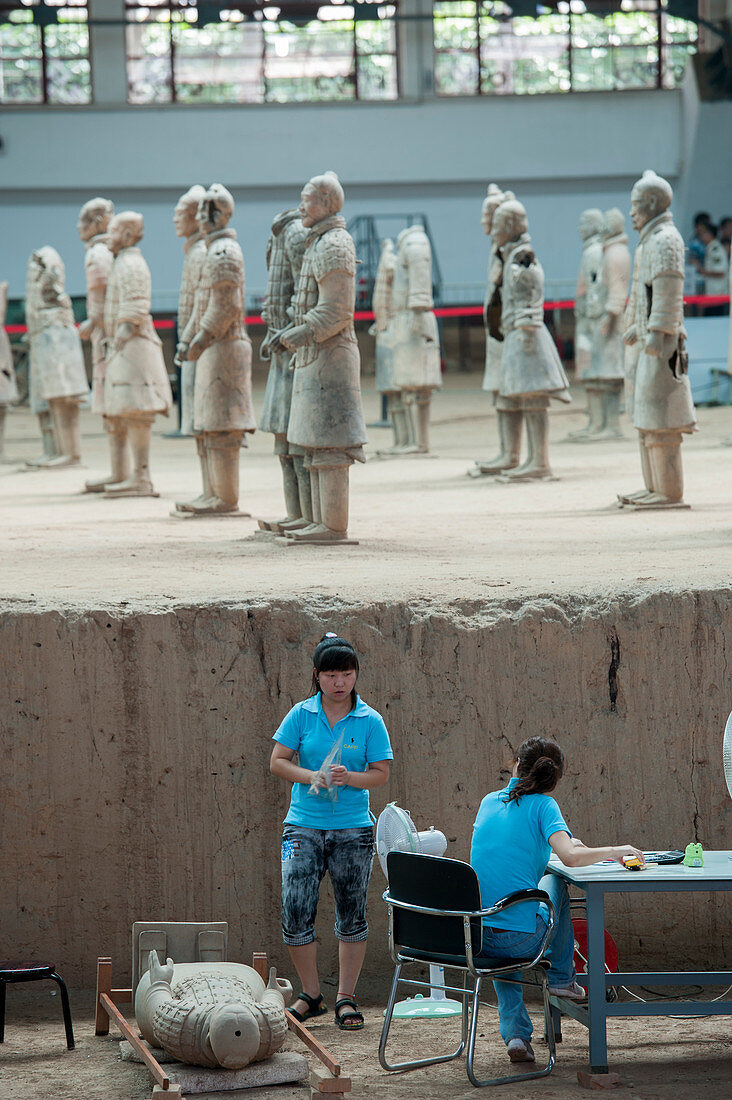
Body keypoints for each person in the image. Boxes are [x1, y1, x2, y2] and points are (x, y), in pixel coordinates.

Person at [470, 737, 644, 1066]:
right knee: (556, 882)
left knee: (503, 924)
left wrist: (554, 843)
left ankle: (517, 1036)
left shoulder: (488, 802)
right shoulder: (544, 806)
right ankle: (563, 980)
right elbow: (571, 858)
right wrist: (615, 850)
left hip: (477, 938)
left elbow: (509, 850)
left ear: (517, 765)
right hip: (521, 941)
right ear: (555, 777)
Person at [270, 633, 392, 1031]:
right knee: (295, 911)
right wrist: (312, 776)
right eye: (331, 674)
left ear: (355, 676)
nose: (340, 682)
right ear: (317, 676)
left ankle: (345, 997)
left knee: (352, 915)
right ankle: (311, 994)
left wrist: (349, 777)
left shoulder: (370, 720)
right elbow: (277, 761)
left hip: (353, 830)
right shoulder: (301, 714)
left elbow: (380, 775)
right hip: (302, 826)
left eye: (347, 673)